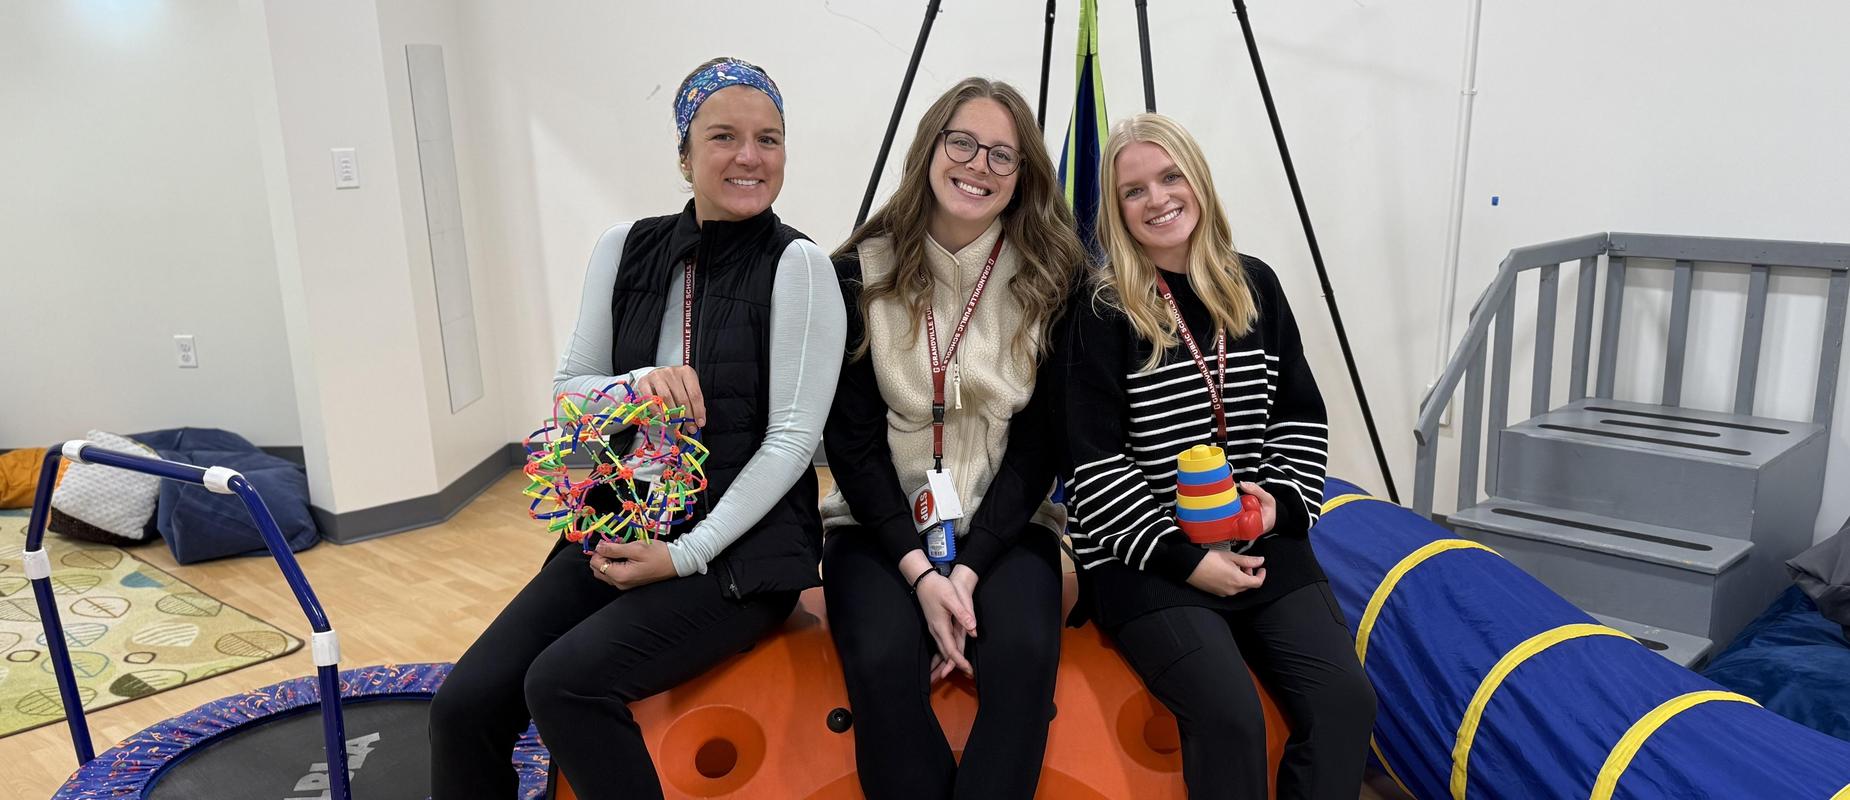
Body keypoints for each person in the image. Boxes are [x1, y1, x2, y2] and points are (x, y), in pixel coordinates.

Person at [428, 57, 845, 799]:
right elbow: (569, 396)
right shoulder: (625, 246)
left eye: (769, 139)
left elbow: (791, 443)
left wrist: (686, 556)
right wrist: (634, 387)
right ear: (684, 155)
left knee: (562, 686)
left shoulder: (801, 266)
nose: (749, 157)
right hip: (617, 528)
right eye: (723, 136)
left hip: (737, 560)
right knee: (463, 708)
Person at [1062, 112, 1376, 799]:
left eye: (1170, 177)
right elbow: (1092, 466)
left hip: (1256, 533)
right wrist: (1188, 560)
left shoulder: (1254, 284)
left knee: (1346, 702)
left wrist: (1277, 507)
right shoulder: (1100, 308)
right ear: (1116, 213)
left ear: (1198, 183)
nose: (1158, 198)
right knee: (1230, 716)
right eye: (1133, 191)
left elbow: (1298, 414)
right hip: (1145, 555)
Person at [819, 77, 1084, 799]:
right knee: (879, 661)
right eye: (962, 142)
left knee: (1026, 657)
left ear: (1024, 176)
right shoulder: (857, 274)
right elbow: (853, 445)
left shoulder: (1054, 279)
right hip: (878, 531)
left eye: (1004, 155)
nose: (980, 166)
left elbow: (1038, 450)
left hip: (1007, 526)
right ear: (931, 148)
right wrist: (921, 574)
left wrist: (963, 577)